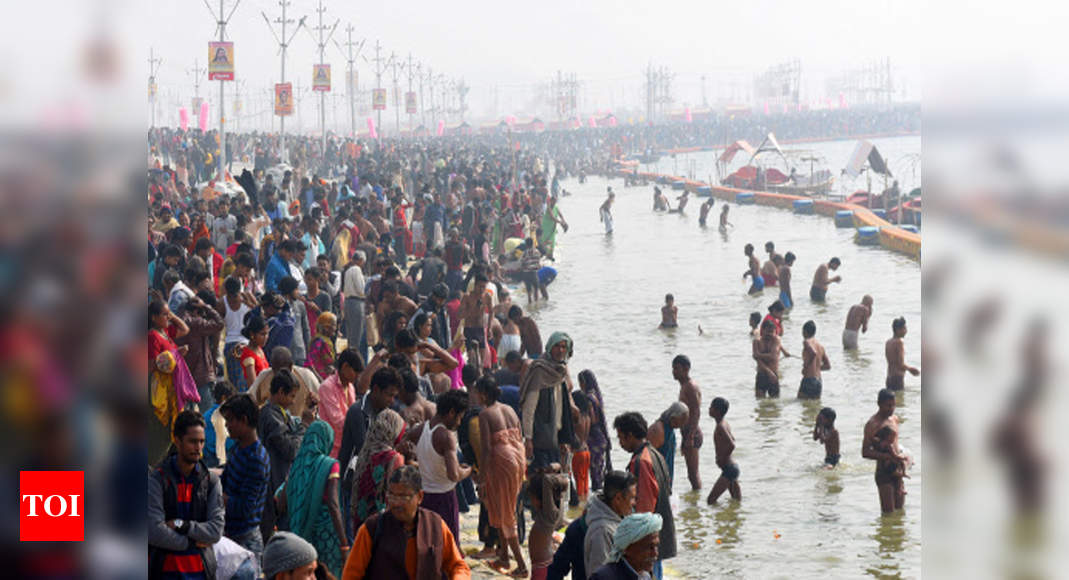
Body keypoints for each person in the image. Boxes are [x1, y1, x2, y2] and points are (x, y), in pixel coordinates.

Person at [341, 466, 471, 579]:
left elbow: (457, 566)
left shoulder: (435, 525)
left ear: (420, 497)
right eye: (392, 496)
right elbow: (352, 574)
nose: (396, 503)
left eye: (403, 497)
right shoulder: (373, 529)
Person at [149, 411, 225, 579]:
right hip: (164, 572)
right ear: (177, 440)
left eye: (201, 442)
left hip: (201, 571)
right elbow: (154, 530)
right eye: (192, 441)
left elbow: (216, 530)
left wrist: (181, 525)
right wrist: (192, 542)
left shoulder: (210, 481)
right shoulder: (158, 479)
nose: (198, 448)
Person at [275, 421, 347, 577]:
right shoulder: (329, 465)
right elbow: (334, 505)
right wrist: (344, 543)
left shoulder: (296, 467)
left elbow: (281, 505)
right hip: (327, 537)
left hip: (300, 537)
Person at [474, 376, 527, 576]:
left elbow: (486, 449)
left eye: (477, 392)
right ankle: (503, 556)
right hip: (517, 459)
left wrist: (481, 477)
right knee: (502, 508)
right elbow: (519, 436)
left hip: (501, 463)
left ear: (484, 394)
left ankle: (522, 566)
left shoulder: (485, 414)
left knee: (505, 514)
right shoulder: (509, 409)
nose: (475, 396)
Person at [405, 389, 471, 550]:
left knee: (427, 545)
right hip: (444, 498)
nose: (459, 423)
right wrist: (469, 471)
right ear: (451, 413)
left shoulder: (419, 430)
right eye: (460, 417)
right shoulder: (446, 436)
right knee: (448, 547)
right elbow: (454, 475)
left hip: (424, 498)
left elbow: (403, 449)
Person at [613, 412, 675, 579]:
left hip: (648, 539)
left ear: (630, 435)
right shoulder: (655, 453)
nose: (620, 443)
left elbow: (644, 507)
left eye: (621, 438)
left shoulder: (641, 462)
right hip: (658, 533)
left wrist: (633, 541)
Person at [338, 367, 402, 522]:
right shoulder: (358, 412)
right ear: (376, 390)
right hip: (353, 480)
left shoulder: (386, 411)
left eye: (394, 396)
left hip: (375, 483)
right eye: (389, 395)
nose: (391, 400)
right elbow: (366, 449)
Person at [258, 370, 315, 541]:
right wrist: (304, 425)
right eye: (291, 396)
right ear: (281, 392)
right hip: (274, 485)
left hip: (281, 482)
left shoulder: (281, 414)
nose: (292, 402)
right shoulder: (270, 415)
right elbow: (290, 448)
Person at [220, 395, 271, 558]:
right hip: (230, 533)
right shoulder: (237, 447)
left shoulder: (256, 459)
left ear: (244, 420)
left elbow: (246, 508)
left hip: (246, 540)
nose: (227, 425)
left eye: (230, 420)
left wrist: (220, 498)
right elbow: (225, 480)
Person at [520, 332, 577, 471]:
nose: (561, 350)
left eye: (564, 347)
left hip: (555, 437)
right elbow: (529, 408)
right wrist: (528, 439)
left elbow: (561, 405)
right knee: (542, 479)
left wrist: (563, 438)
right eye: (557, 346)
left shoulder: (560, 370)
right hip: (540, 437)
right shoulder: (540, 370)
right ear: (550, 346)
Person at [348, 409, 406, 536]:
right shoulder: (394, 458)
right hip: (383, 524)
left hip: (361, 521)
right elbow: (398, 495)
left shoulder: (367, 450)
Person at [581, 470, 637, 576]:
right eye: (632, 498)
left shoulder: (618, 518)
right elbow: (600, 575)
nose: (634, 503)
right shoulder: (602, 532)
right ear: (618, 498)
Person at [248, 346, 321, 419]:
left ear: (290, 366)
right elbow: (250, 400)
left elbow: (321, 400)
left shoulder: (306, 377)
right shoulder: (265, 376)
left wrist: (316, 402)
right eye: (275, 370)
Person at [862, 390, 904, 513]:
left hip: (898, 471)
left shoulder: (894, 419)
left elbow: (895, 443)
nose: (891, 409)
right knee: (888, 515)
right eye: (888, 405)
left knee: (900, 512)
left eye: (893, 405)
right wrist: (886, 456)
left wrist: (900, 457)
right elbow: (865, 452)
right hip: (884, 472)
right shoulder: (872, 424)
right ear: (879, 404)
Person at [588, 513, 662, 580]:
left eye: (656, 546)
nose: (655, 553)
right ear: (626, 548)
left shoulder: (647, 575)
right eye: (649, 547)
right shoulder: (603, 577)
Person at [527, 467, 570, 580]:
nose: (531, 501)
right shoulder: (550, 514)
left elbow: (548, 480)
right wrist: (556, 469)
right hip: (542, 567)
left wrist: (549, 472)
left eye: (532, 497)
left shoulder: (549, 515)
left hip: (544, 569)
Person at [318, 348, 361, 458]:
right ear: (345, 367)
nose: (357, 376)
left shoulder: (350, 387)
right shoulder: (327, 387)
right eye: (355, 371)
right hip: (330, 449)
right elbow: (338, 421)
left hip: (346, 446)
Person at [671, 354, 702, 490]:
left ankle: (696, 505)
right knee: (690, 474)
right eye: (673, 368)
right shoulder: (684, 386)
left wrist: (690, 437)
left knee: (693, 475)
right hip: (687, 433)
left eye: (677, 368)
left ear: (686, 369)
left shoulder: (690, 387)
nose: (674, 372)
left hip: (692, 434)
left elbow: (696, 412)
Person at [579, 369, 613, 493]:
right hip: (602, 438)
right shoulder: (597, 395)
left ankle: (597, 502)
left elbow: (592, 420)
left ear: (584, 382)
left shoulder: (588, 398)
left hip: (594, 439)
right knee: (599, 472)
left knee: (595, 476)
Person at [646, 402, 689, 490]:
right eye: (683, 420)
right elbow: (646, 459)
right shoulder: (658, 430)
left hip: (665, 479)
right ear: (674, 418)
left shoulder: (670, 429)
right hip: (656, 482)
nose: (684, 424)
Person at [706, 397, 741, 504]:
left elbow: (731, 444)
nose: (709, 408)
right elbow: (733, 439)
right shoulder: (724, 423)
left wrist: (722, 458)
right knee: (736, 501)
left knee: (711, 500)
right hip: (731, 468)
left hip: (729, 469)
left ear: (717, 411)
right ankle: (732, 518)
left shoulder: (721, 426)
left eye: (711, 407)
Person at [341, 250, 367, 359]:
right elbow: (361, 289)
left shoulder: (348, 270)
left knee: (350, 335)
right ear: (361, 260)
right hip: (357, 302)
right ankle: (354, 360)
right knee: (356, 335)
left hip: (348, 302)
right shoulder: (356, 269)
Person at [570, 390, 593, 504]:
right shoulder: (587, 417)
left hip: (578, 453)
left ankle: (580, 507)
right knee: (585, 483)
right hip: (586, 451)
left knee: (579, 482)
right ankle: (585, 504)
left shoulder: (577, 417)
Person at [798, 320, 831, 399]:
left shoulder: (806, 342)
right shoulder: (820, 346)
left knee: (802, 404)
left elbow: (813, 353)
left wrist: (806, 367)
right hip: (818, 381)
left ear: (804, 331)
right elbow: (828, 366)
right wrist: (816, 367)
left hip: (808, 379)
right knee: (814, 408)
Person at [885, 317, 919, 391]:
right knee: (899, 402)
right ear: (897, 330)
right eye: (904, 328)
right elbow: (900, 364)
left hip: (889, 377)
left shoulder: (888, 342)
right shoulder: (899, 342)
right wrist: (911, 369)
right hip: (897, 378)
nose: (906, 331)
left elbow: (891, 362)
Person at [753, 319, 784, 398]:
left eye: (772, 332)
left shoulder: (776, 340)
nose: (769, 334)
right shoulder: (757, 341)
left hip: (774, 374)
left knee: (775, 404)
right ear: (762, 331)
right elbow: (758, 360)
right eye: (767, 331)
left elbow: (773, 356)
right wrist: (768, 372)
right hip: (762, 374)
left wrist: (758, 354)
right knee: (760, 402)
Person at [307, 312, 338, 381]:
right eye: (333, 325)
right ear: (326, 327)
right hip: (319, 378)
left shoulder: (328, 341)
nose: (335, 328)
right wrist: (319, 379)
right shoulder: (318, 342)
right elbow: (309, 363)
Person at [520, 238, 543, 304]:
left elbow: (521, 262)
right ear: (532, 244)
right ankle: (536, 304)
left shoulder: (525, 253)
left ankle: (529, 302)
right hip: (534, 273)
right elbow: (539, 260)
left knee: (529, 291)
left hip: (526, 273)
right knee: (536, 290)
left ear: (526, 244)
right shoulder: (537, 251)